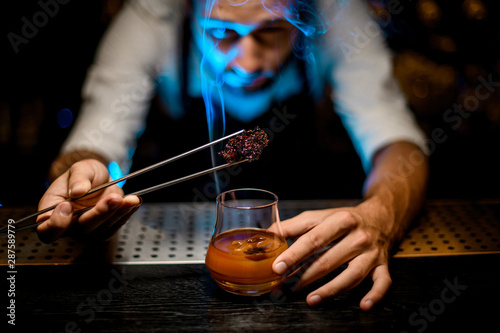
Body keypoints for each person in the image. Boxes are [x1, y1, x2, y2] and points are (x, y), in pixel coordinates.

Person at [36, 0, 429, 311]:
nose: (248, 61)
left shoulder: (335, 13)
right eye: (221, 32)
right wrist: (86, 175)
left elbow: (395, 140)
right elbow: (97, 140)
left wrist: (381, 215)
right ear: (189, 8)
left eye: (272, 30)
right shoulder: (151, 16)